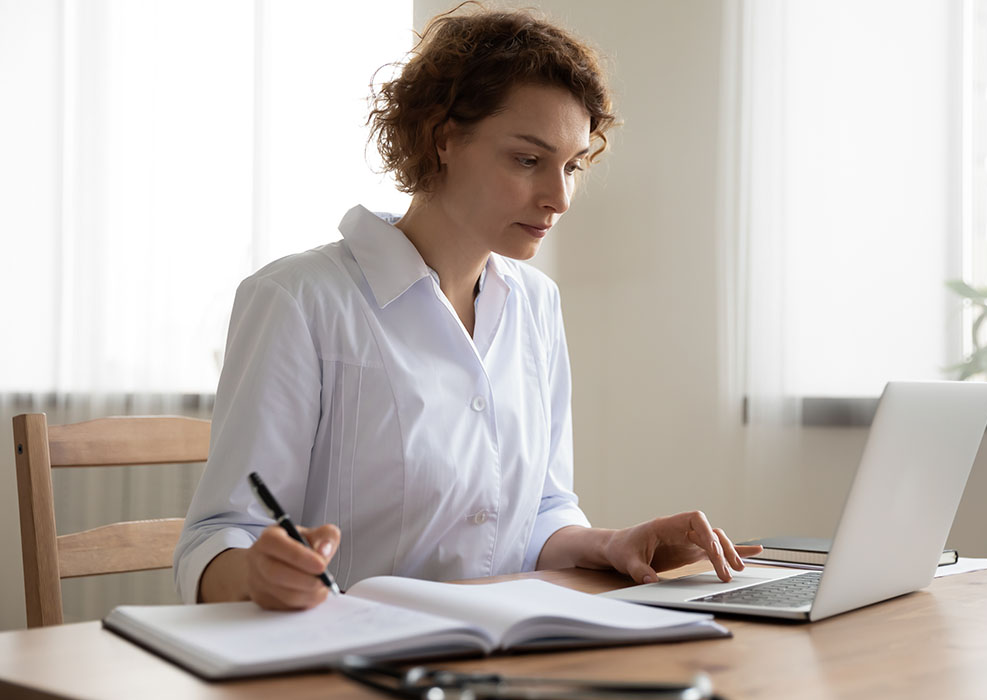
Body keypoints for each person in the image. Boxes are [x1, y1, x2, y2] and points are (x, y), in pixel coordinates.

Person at [174, 5, 761, 611]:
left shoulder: (536, 304)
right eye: (528, 160)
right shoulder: (298, 300)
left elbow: (541, 514)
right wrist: (256, 574)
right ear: (444, 138)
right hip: (352, 661)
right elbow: (219, 536)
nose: (559, 198)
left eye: (573, 165)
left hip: (501, 652)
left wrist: (612, 544)